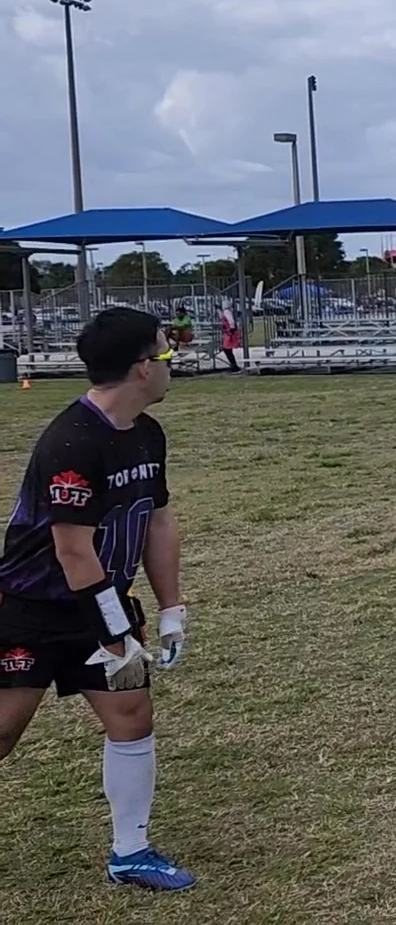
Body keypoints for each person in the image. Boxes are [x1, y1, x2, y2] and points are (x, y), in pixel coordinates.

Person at [0, 308, 195, 891]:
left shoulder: (147, 433)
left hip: (106, 604)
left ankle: (130, 852)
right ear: (142, 368)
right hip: (32, 609)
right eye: (167, 354)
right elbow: (72, 552)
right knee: (4, 731)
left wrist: (171, 607)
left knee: (132, 716)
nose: (173, 364)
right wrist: (115, 634)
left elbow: (157, 520)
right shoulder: (74, 442)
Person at [217, 301, 242, 373]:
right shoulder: (227, 311)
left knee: (227, 349)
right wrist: (218, 310)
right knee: (227, 350)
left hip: (230, 333)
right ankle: (233, 365)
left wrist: (231, 329)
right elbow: (222, 317)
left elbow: (231, 321)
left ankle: (234, 365)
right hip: (229, 332)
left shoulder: (227, 312)